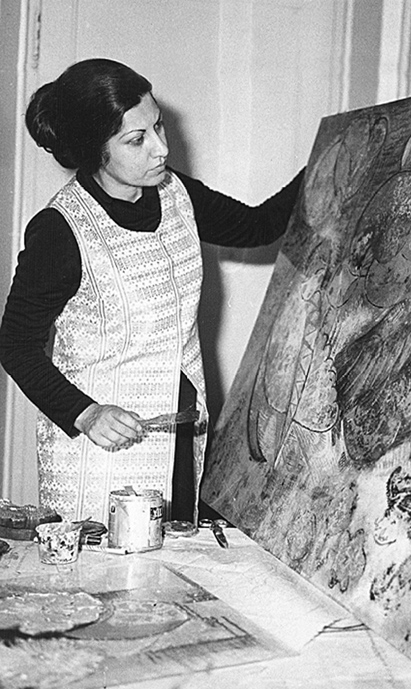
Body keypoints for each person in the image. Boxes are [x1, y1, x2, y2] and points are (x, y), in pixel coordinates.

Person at [0, 58, 303, 527]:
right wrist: (85, 413)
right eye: (137, 139)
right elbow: (15, 343)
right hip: (100, 451)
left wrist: (330, 157)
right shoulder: (61, 230)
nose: (161, 148)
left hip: (178, 437)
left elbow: (258, 225)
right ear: (94, 150)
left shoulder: (177, 193)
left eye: (157, 126)